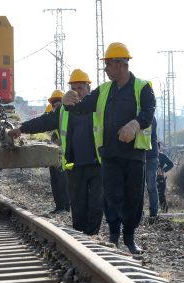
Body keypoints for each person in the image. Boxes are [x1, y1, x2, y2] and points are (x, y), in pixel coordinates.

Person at [62, 43, 155, 254]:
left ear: (122, 64)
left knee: (133, 196)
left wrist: (135, 124)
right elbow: (83, 107)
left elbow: (148, 112)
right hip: (110, 153)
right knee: (112, 195)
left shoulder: (142, 87)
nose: (105, 69)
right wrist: (69, 103)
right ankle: (114, 237)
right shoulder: (104, 90)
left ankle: (130, 238)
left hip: (133, 154)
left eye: (109, 64)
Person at [9, 69, 104, 236]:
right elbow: (44, 121)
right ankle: (82, 236)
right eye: (73, 88)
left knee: (97, 203)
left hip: (97, 163)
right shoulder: (64, 111)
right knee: (78, 205)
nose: (77, 92)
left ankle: (91, 236)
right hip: (75, 165)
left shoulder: (98, 107)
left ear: (89, 88)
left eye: (80, 88)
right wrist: (22, 128)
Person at [45, 90, 70, 214]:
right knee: (55, 180)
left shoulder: (69, 116)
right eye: (54, 106)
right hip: (57, 158)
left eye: (57, 105)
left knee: (63, 181)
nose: (55, 107)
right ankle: (60, 206)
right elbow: (54, 137)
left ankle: (65, 207)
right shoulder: (56, 118)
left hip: (67, 159)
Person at [144, 116, 160, 221]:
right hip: (147, 155)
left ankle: (153, 213)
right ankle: (151, 212)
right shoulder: (150, 116)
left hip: (150, 156)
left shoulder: (149, 117)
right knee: (150, 187)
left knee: (151, 187)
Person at [156, 143, 175, 212]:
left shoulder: (162, 156)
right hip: (150, 178)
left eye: (156, 148)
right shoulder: (148, 155)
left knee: (161, 196)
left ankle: (164, 212)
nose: (155, 149)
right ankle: (153, 212)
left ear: (159, 148)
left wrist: (163, 170)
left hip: (160, 178)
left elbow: (171, 164)